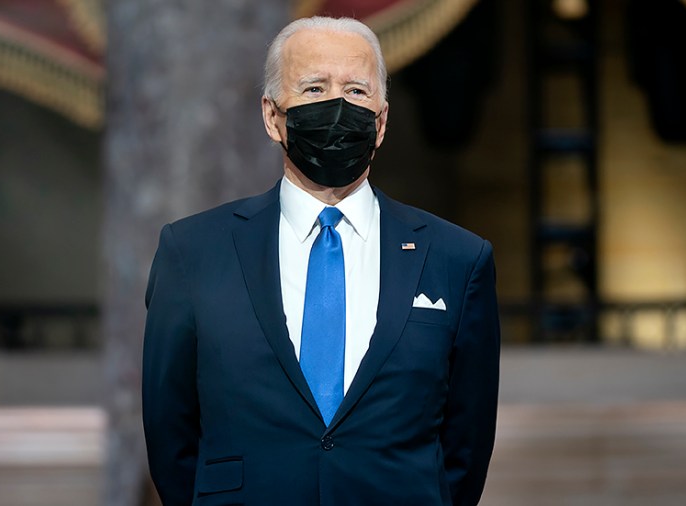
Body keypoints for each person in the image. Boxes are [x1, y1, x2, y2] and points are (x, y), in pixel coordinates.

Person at [142, 16, 500, 506]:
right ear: (272, 116)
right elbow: (171, 434)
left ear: (382, 120)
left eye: (356, 91)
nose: (337, 106)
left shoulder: (458, 259)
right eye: (313, 88)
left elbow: (466, 443)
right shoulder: (192, 252)